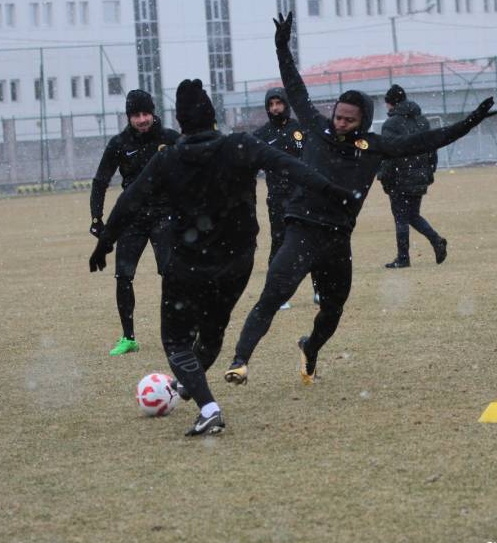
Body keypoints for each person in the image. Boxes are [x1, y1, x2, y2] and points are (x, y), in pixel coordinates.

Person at [224, 12, 496, 387]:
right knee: (272, 295)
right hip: (301, 231)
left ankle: (311, 347)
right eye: (338, 116)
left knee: (333, 311)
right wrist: (281, 46)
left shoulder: (375, 147)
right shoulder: (317, 129)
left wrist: (470, 122)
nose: (340, 123)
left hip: (337, 240)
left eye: (349, 120)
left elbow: (426, 141)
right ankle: (240, 360)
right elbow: (295, 87)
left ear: (363, 121)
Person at [89, 79, 353, 436]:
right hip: (236, 263)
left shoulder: (168, 158)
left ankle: (208, 407)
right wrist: (333, 190)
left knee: (176, 340)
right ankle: (189, 388)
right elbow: (289, 166)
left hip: (189, 265)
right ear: (212, 116)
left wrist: (105, 242)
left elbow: (127, 202)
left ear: (180, 123)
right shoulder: (240, 145)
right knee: (212, 334)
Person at [89, 90, 180, 356]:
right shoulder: (119, 143)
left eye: (145, 114)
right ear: (128, 117)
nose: (141, 120)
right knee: (123, 276)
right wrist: (96, 217)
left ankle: (178, 332)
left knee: (171, 274)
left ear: (153, 113)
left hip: (165, 216)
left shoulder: (170, 138)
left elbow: (195, 167)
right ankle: (128, 337)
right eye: (135, 115)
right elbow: (100, 181)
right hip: (132, 218)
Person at [378, 84, 447, 268]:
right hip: (419, 175)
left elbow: (388, 154)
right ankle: (436, 240)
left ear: (390, 103)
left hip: (400, 177)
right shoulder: (422, 121)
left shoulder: (391, 124)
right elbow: (432, 147)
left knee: (401, 217)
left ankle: (403, 257)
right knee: (412, 215)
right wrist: (429, 171)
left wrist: (383, 177)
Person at [252, 87, 305, 309]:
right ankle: (276, 293)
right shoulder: (262, 135)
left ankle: (319, 289)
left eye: (278, 103)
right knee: (279, 243)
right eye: (271, 104)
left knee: (309, 242)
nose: (275, 108)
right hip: (277, 199)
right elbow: (248, 161)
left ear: (286, 104)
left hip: (303, 196)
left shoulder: (299, 129)